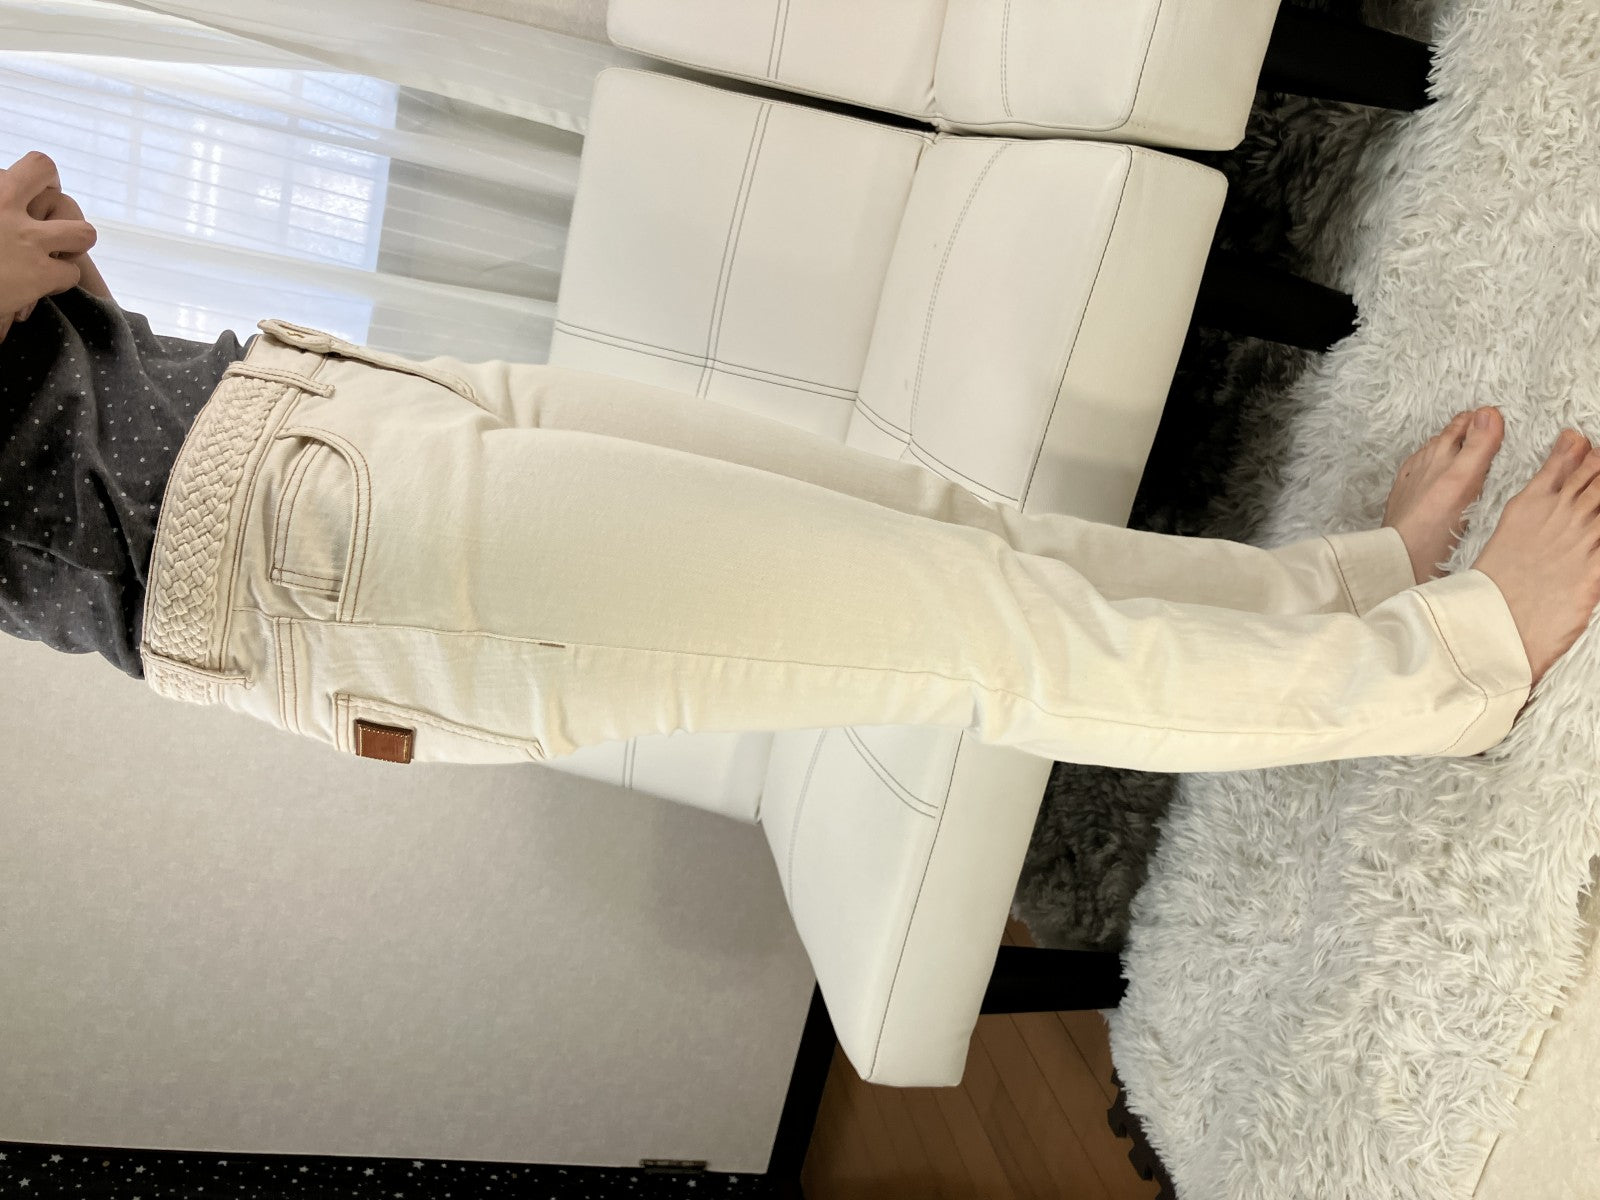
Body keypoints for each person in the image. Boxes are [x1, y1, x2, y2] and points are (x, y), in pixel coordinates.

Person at [3, 149, 1596, 772]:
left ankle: (1350, 588)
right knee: (976, 633)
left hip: (306, 408)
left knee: (955, 535)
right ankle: (1451, 672)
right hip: (292, 559)